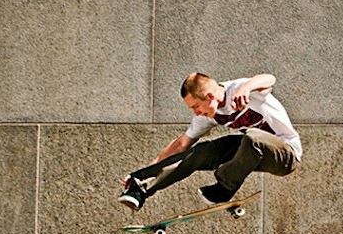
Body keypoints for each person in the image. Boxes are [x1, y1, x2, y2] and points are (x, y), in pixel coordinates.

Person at [118, 72, 302, 210]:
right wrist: (148, 171)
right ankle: (141, 189)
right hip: (252, 153)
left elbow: (269, 78)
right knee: (202, 152)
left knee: (252, 137)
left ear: (210, 97)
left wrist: (247, 88)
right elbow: (182, 144)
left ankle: (225, 187)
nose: (196, 113)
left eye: (196, 106)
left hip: (285, 155)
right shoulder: (208, 115)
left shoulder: (240, 89)